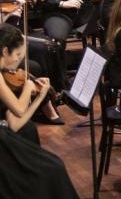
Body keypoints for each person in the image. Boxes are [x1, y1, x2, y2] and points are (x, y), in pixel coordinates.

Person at [0, 24, 78, 197]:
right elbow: (19, 110)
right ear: (5, 51)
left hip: (5, 134)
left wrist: (40, 97)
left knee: (54, 165)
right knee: (52, 169)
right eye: (18, 55)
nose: (19, 62)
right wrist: (28, 88)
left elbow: (15, 123)